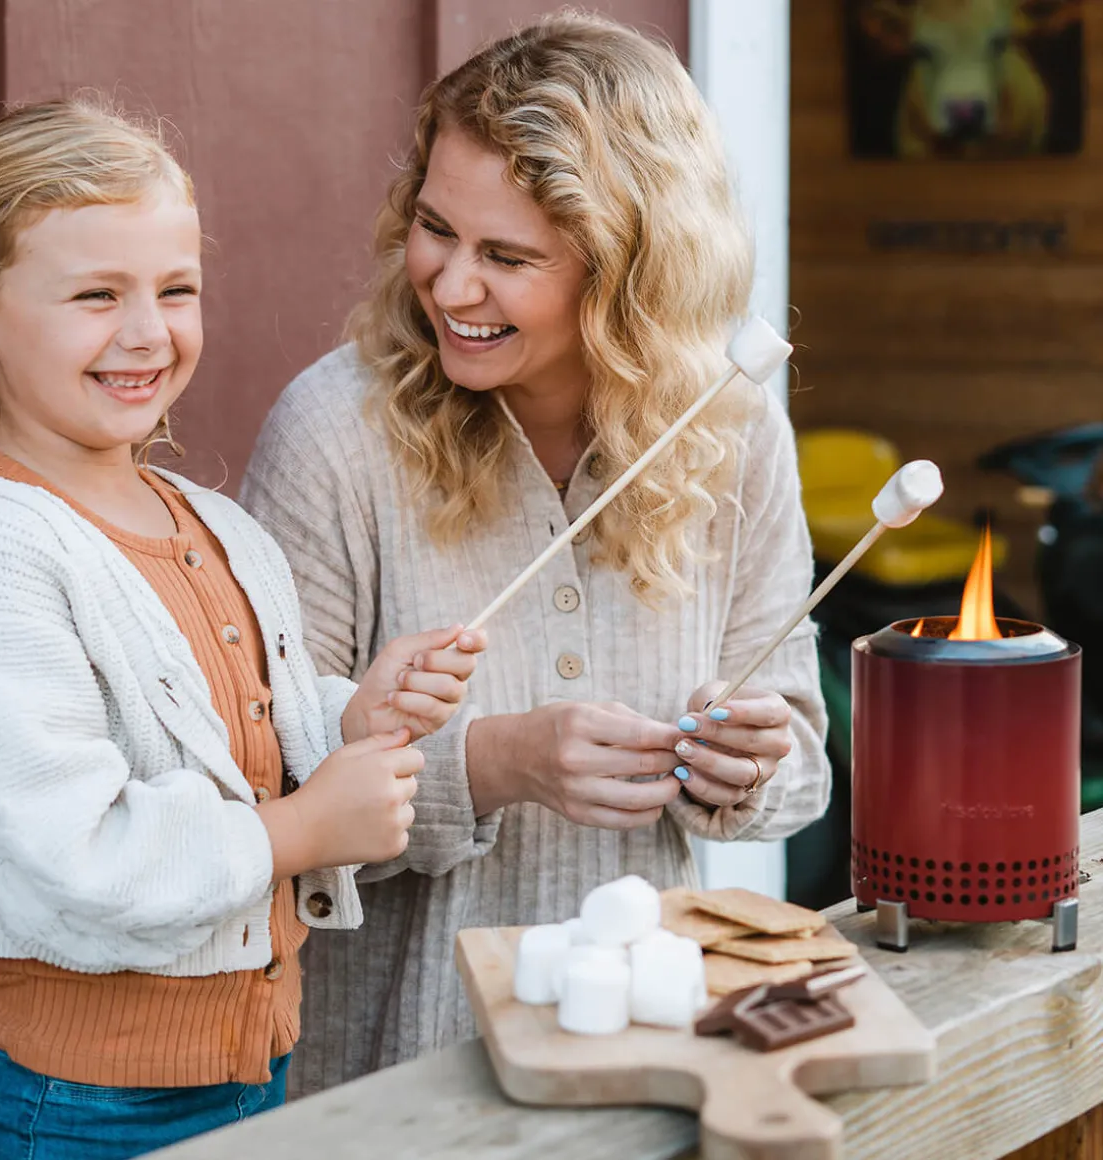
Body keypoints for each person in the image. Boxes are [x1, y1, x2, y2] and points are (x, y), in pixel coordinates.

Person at [241, 11, 831, 1096]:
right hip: (390, 1079)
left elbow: (793, 753)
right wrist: (490, 761)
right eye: (434, 228)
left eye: (507, 257)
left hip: (649, 1061)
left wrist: (749, 763)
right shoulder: (334, 432)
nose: (451, 285)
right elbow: (263, 793)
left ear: (623, 274)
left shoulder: (726, 427)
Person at [0, 99, 485, 1159]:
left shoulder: (220, 526)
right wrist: (300, 831)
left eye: (175, 289)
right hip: (83, 1104)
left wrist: (356, 710)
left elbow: (241, 738)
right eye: (97, 294)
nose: (148, 332)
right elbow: (74, 853)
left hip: (256, 1069)